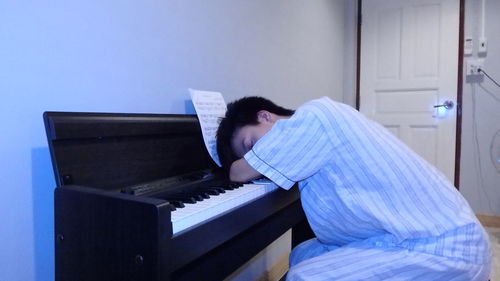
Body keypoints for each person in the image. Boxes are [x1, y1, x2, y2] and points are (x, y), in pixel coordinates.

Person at [216, 96, 492, 281]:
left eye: (250, 145)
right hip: (411, 235)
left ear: (265, 116)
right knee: (302, 254)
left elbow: (237, 172)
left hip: (444, 249)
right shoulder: (311, 128)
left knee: (305, 277)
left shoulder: (312, 118)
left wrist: (236, 164)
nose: (253, 156)